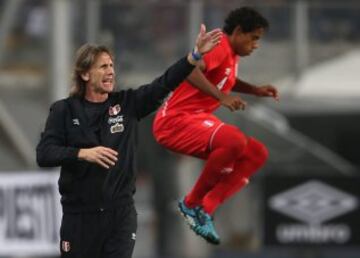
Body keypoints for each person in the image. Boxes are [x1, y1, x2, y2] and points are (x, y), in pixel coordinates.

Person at [36, 24, 222, 258]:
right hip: (79, 218)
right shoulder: (64, 110)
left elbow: (163, 83)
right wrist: (82, 153)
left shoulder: (127, 104)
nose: (111, 71)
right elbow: (44, 154)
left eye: (112, 66)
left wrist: (194, 57)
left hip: (120, 216)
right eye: (103, 66)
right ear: (85, 74)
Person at [153, 7, 280, 245]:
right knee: (233, 140)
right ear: (239, 31)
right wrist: (222, 98)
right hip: (175, 121)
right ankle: (191, 204)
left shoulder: (232, 54)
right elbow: (190, 71)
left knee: (256, 154)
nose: (256, 45)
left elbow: (224, 78)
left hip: (194, 118)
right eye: (254, 38)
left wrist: (255, 90)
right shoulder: (220, 46)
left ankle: (206, 208)